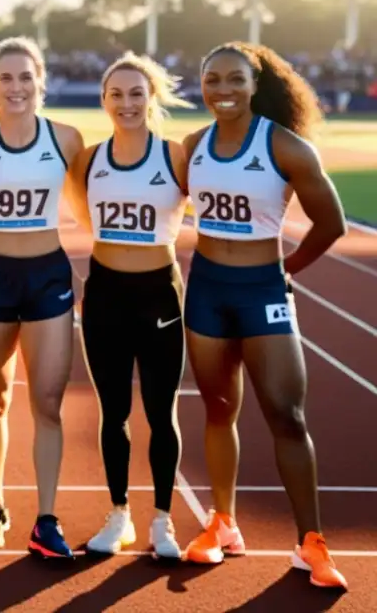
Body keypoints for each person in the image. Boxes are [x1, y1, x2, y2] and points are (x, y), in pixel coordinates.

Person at [181, 42, 348, 590]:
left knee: (286, 414)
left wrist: (288, 269)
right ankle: (223, 524)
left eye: (234, 80)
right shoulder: (193, 146)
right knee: (218, 407)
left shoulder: (286, 147)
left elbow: (331, 223)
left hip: (261, 289)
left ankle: (311, 543)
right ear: (201, 86)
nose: (222, 91)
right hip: (206, 289)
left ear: (256, 85)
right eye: (212, 81)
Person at [0, 36, 84, 557]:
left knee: (47, 402)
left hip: (48, 275)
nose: (16, 87)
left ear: (41, 82)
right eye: (6, 78)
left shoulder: (66, 139)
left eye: (25, 77)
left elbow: (85, 209)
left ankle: (46, 519)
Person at [67, 53, 194, 560]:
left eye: (137, 93)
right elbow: (83, 215)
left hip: (159, 293)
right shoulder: (89, 159)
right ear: (103, 101)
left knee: (162, 412)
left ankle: (162, 521)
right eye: (116, 94)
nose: (126, 103)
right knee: (113, 411)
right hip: (105, 293)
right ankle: (118, 514)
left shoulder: (175, 157)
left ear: (152, 99)